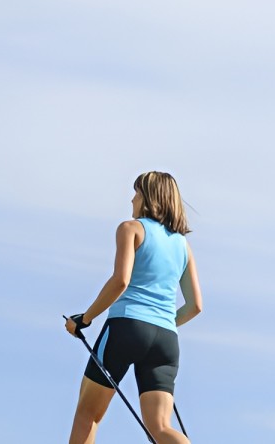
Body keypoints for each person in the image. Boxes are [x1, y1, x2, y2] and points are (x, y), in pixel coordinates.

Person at [64, 171, 203, 444]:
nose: (132, 198)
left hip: (126, 327)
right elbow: (195, 306)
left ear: (149, 197)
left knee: (87, 415)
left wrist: (85, 319)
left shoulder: (131, 228)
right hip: (166, 339)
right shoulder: (182, 245)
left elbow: (121, 281)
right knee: (161, 427)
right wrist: (161, 322)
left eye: (137, 192)